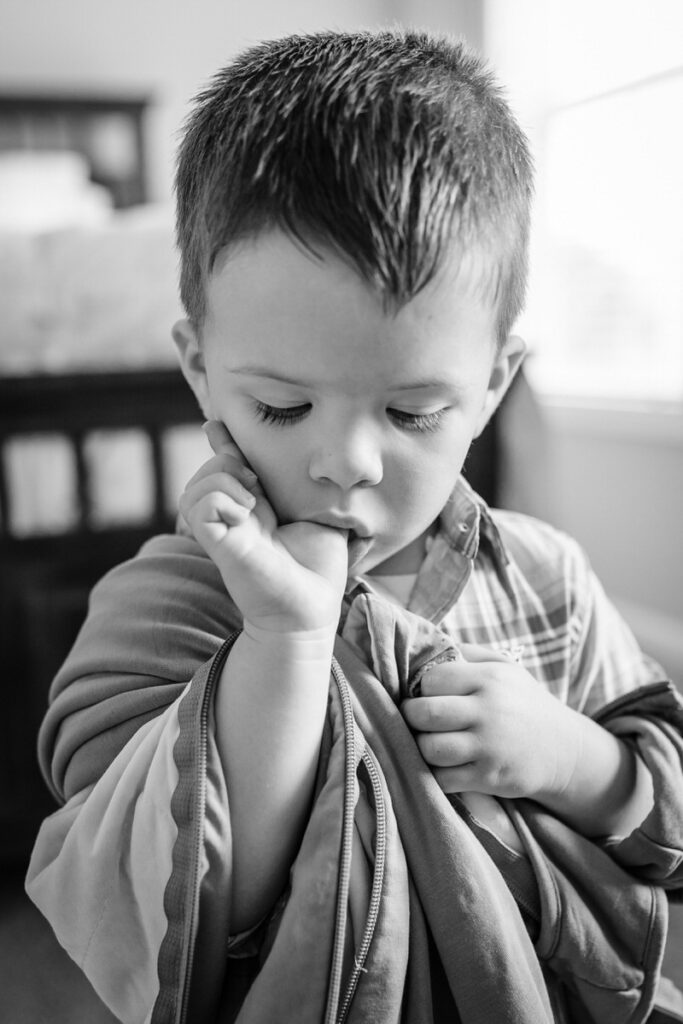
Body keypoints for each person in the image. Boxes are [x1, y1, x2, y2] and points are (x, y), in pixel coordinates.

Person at [26, 29, 683, 1024]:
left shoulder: (545, 579)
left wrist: (568, 757)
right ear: (199, 368)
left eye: (413, 412)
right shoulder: (159, 612)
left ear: (493, 381)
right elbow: (179, 924)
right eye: (282, 409)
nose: (348, 462)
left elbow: (664, 827)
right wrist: (286, 640)